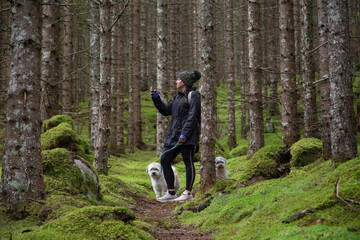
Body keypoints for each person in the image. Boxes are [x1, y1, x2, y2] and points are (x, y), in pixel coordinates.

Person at [150, 70, 201, 202]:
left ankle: (188, 193)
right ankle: (171, 192)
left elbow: (193, 116)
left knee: (188, 162)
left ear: (185, 82)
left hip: (187, 136)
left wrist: (185, 133)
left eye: (178, 79)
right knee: (165, 160)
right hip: (174, 136)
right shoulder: (178, 97)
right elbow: (166, 111)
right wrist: (156, 98)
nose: (176, 81)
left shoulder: (193, 95)